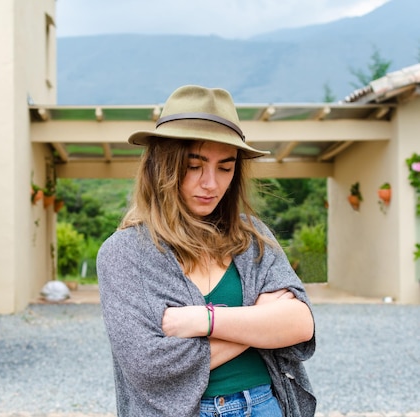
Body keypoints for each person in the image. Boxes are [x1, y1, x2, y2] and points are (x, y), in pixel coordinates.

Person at [97, 85, 316, 417]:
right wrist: (257, 326)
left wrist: (204, 319)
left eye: (225, 167)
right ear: (161, 166)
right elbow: (149, 368)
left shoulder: (252, 236)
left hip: (265, 405)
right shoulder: (124, 253)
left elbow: (299, 323)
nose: (211, 183)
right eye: (194, 165)